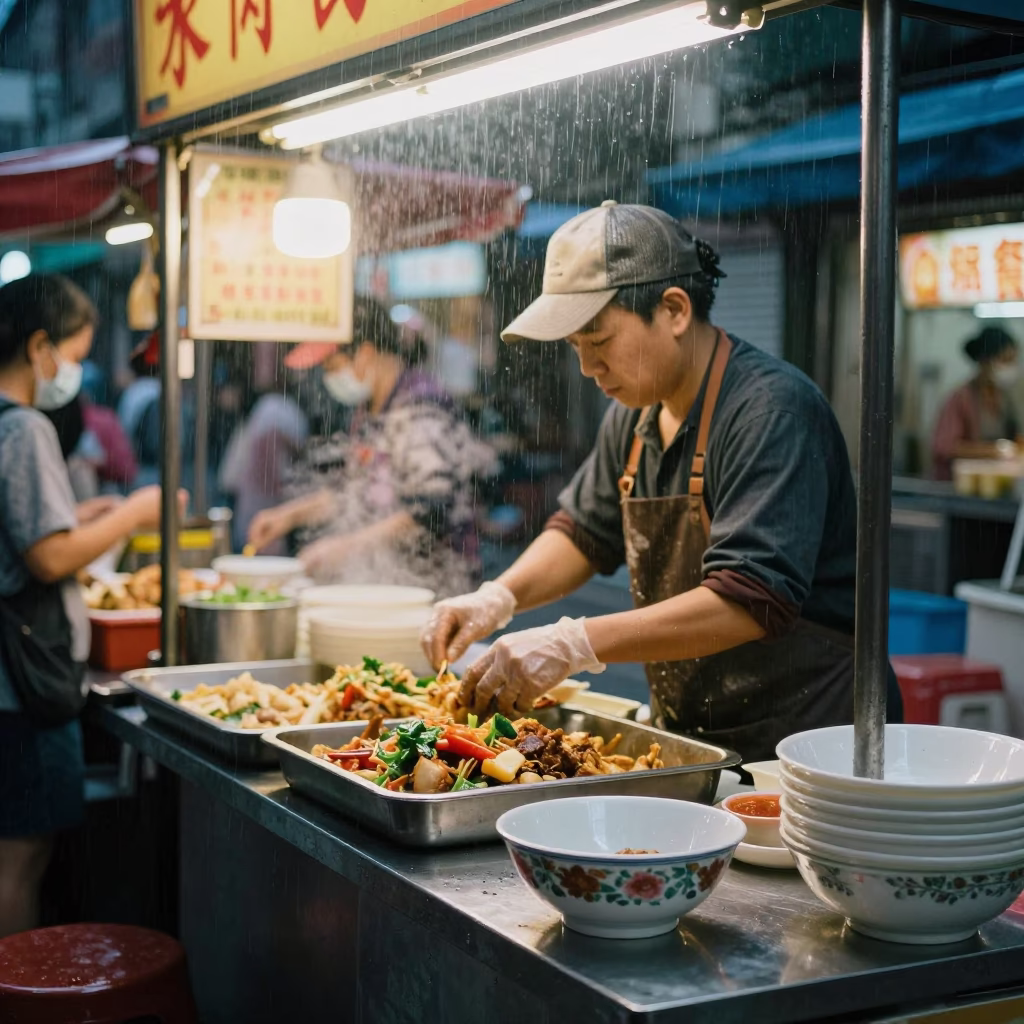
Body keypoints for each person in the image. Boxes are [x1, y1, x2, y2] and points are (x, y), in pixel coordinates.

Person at [421, 201, 902, 762]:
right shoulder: (634, 412)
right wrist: (497, 596)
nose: (588, 369)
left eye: (598, 342)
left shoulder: (771, 413)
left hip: (810, 746)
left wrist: (574, 642)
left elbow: (749, 600)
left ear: (673, 309)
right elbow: (582, 531)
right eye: (576, 349)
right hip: (699, 739)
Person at [0, 275, 169, 938]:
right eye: (71, 353)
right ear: (39, 346)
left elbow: (32, 532)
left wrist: (81, 514)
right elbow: (47, 557)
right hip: (22, 686)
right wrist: (131, 511)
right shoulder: (25, 427)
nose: (72, 370)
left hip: (11, 682)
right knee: (20, 857)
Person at [247, 297, 496, 596]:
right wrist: (288, 516)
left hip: (434, 591)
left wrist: (345, 547)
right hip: (389, 584)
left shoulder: (420, 407)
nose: (328, 377)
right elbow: (354, 491)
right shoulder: (370, 411)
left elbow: (430, 510)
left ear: (364, 353)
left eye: (331, 364)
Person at [219, 387, 309, 554]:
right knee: (258, 548)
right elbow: (268, 451)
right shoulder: (275, 411)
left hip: (257, 501)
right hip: (258, 501)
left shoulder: (273, 411)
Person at [932, 327, 1020, 480]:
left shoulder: (1004, 398)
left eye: (1013, 361)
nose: (1010, 367)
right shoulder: (960, 398)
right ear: (986, 361)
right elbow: (944, 447)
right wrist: (993, 451)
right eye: (1005, 360)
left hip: (994, 482)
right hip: (959, 486)